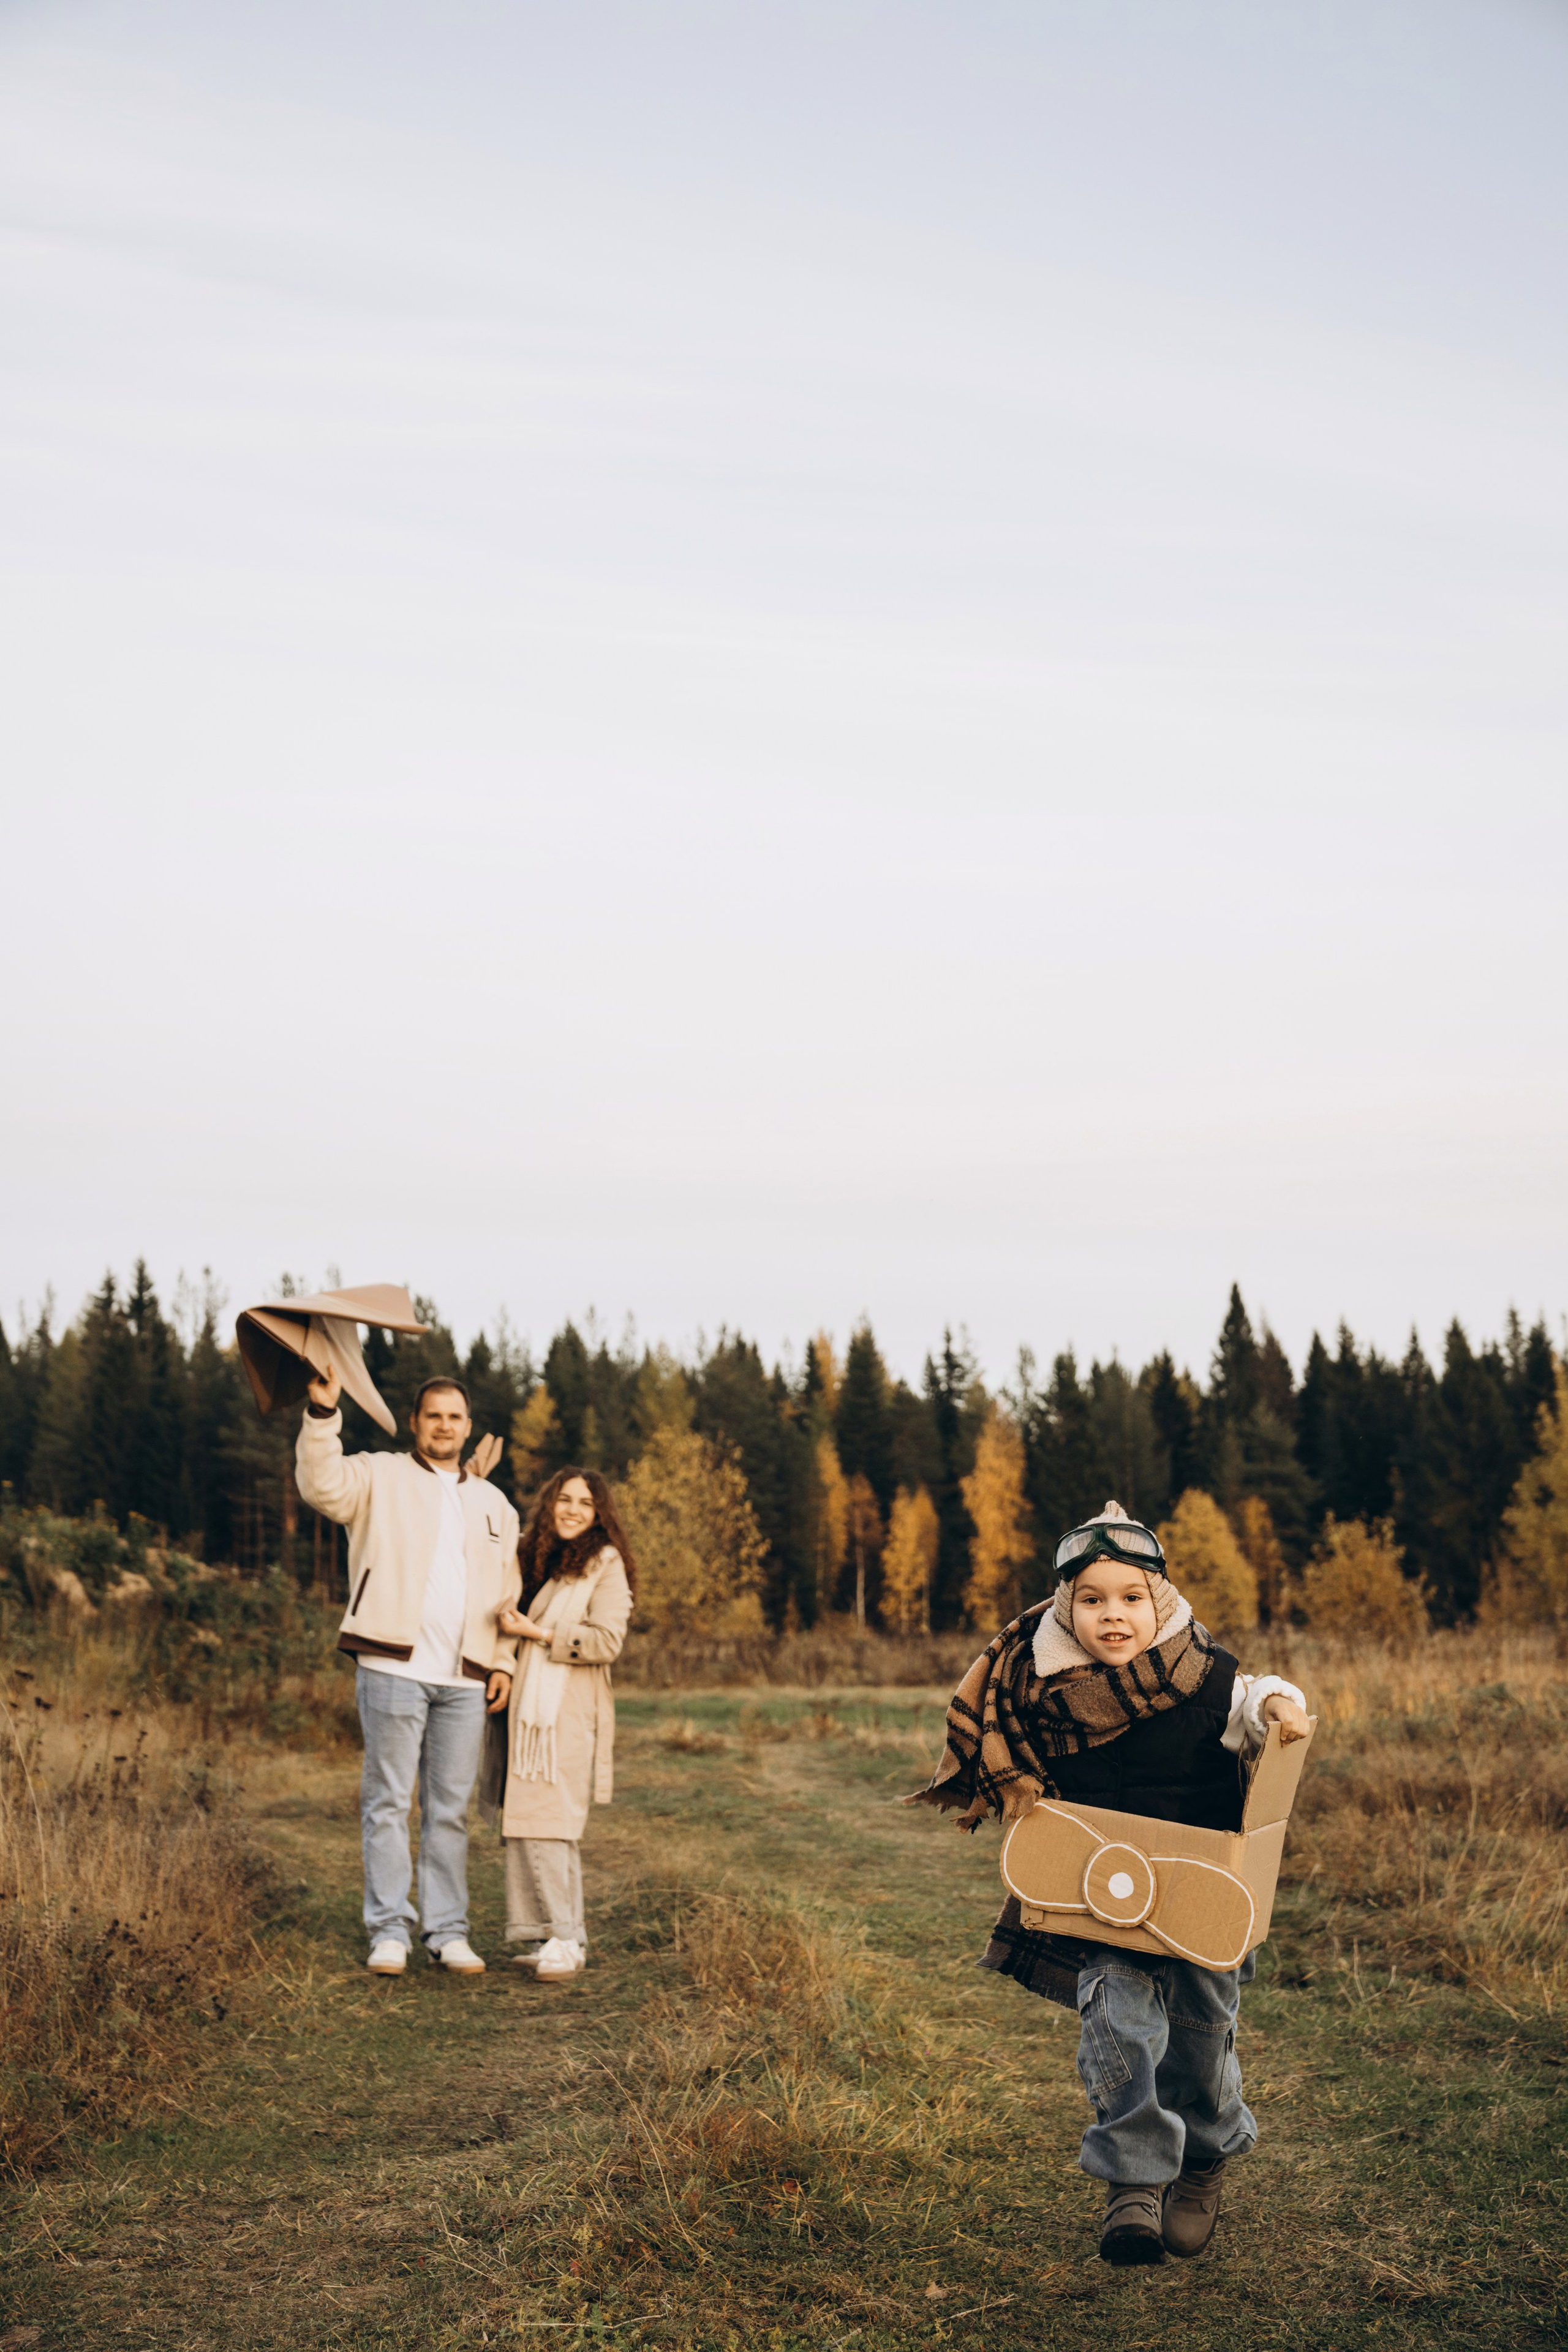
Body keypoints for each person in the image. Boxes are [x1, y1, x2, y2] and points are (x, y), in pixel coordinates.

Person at [912, 1501, 1310, 2266]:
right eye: (1091, 1600)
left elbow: (1260, 1699)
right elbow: (1000, 1741)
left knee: (1200, 2044)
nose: (1113, 1615)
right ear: (1067, 1607)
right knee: (1117, 2030)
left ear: (1159, 1600)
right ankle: (1134, 2177)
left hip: (1201, 1900)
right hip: (1102, 1899)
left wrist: (1280, 1704)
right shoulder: (1037, 1689)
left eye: (1130, 1597)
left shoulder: (1207, 1676)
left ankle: (1203, 2157)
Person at [297, 1365, 521, 1976]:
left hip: (465, 1681)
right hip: (391, 1665)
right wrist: (323, 1414)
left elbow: (509, 1591)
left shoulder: (494, 1503)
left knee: (449, 1811)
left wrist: (502, 1661)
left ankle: (447, 1932)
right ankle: (389, 1930)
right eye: (433, 1416)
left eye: (455, 1417)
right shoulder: (378, 1474)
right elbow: (322, 1487)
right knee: (389, 1802)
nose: (444, 1426)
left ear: (468, 1427)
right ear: (415, 1422)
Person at [486, 1466, 635, 1983]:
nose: (573, 1510)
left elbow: (607, 1641)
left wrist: (541, 1633)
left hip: (563, 1712)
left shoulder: (604, 1563)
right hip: (526, 1710)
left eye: (586, 1503)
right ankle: (558, 1937)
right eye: (565, 1499)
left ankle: (564, 1938)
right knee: (533, 1822)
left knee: (549, 1823)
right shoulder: (533, 1557)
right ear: (550, 1503)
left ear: (599, 1514)